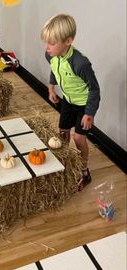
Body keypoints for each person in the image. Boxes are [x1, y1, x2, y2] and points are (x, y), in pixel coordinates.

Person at [41, 14, 100, 190]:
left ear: (68, 41)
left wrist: (89, 114)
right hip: (67, 101)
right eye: (46, 42)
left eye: (51, 43)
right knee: (63, 134)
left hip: (83, 105)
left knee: (79, 138)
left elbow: (95, 89)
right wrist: (51, 87)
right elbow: (54, 69)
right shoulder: (50, 55)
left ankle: (84, 171)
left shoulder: (81, 63)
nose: (47, 48)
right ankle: (65, 164)